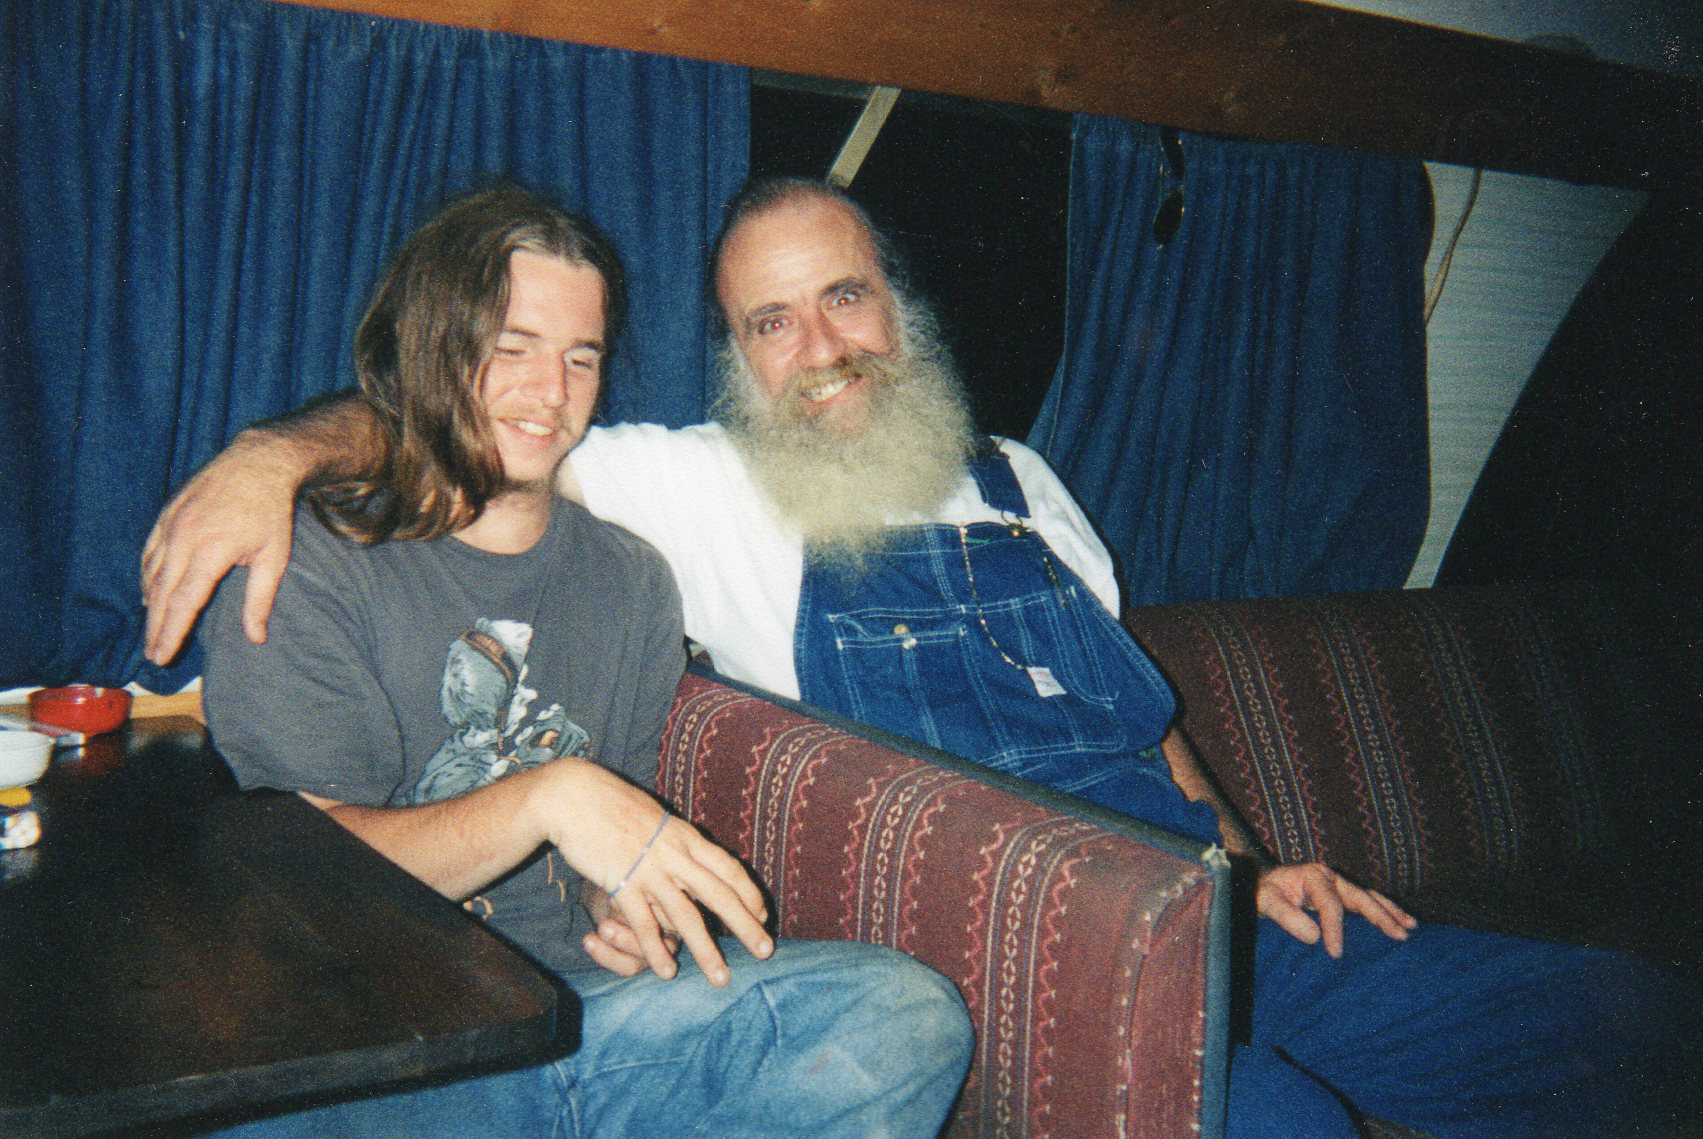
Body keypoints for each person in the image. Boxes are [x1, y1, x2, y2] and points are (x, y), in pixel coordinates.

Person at [149, 178, 1697, 1138]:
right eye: (769, 322)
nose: (818, 346)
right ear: (732, 361)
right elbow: (468, 433)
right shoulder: (688, 491)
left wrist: (1251, 855)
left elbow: (1148, 727)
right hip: (1063, 942)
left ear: (899, 305)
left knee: (1622, 1015)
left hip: (1221, 908)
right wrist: (266, 454)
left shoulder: (1027, 483)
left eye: (842, 296)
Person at [194, 186, 974, 1138]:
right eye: (511, 347)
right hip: (371, 1047)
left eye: (580, 356)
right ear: (430, 346)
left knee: (901, 1014)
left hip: (584, 1022)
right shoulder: (308, 560)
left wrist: (623, 901)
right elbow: (300, 883)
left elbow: (604, 844)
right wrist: (546, 799)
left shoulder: (632, 579)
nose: (549, 392)